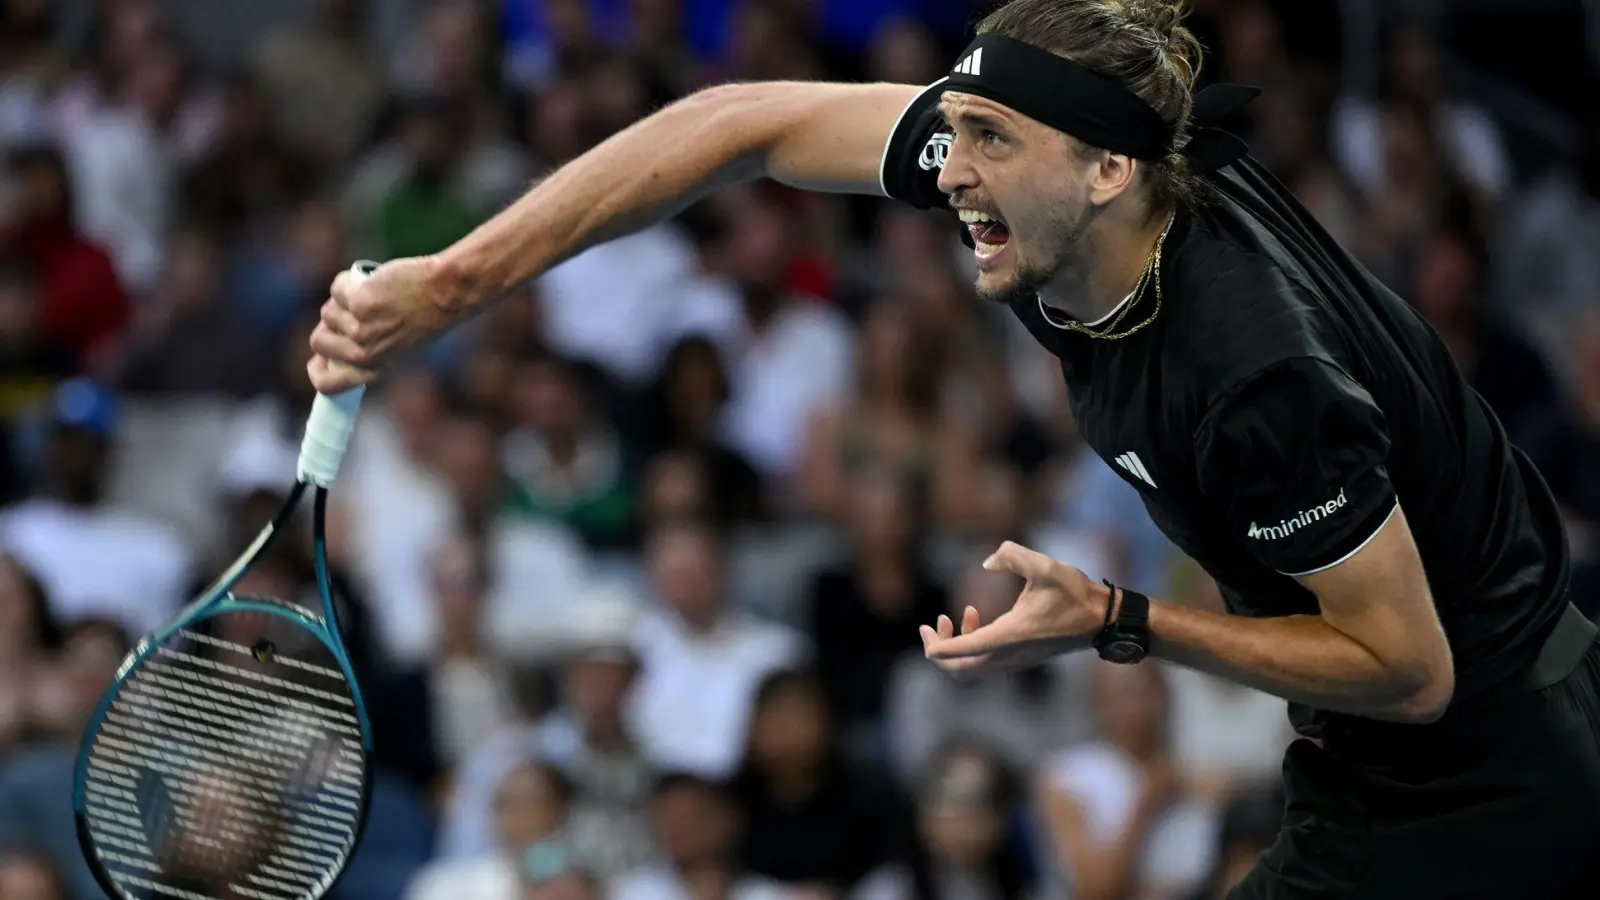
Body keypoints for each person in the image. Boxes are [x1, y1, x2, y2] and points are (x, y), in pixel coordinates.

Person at [304, 0, 1600, 895]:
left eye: (990, 141)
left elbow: (1409, 669)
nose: (951, 170)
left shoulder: (1253, 375)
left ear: (1105, 170)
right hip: (1399, 757)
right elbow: (744, 121)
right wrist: (455, 282)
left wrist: (1120, 620)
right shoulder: (1079, 201)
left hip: (1480, 781)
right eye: (957, 131)